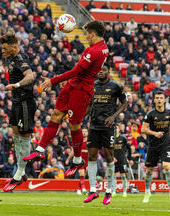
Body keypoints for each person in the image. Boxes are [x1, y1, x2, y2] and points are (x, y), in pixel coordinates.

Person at [24, 21, 109, 179]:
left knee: (74, 125)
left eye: (87, 34)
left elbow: (77, 70)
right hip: (73, 85)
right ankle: (40, 150)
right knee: (56, 114)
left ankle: (77, 160)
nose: (86, 37)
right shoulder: (103, 48)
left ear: (94, 34)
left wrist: (53, 80)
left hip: (82, 91)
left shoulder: (94, 51)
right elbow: (82, 71)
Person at [83, 65, 126, 205]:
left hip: (108, 126)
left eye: (104, 70)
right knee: (92, 157)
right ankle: (93, 190)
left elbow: (124, 104)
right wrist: (84, 114)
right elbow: (90, 104)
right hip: (94, 126)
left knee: (109, 158)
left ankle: (108, 191)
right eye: (99, 70)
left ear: (108, 72)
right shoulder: (92, 85)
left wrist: (114, 116)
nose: (101, 72)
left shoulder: (115, 86)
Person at [2, 32, 36, 192]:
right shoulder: (12, 60)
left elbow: (30, 76)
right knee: (16, 136)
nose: (3, 51)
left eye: (5, 49)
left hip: (25, 102)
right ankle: (20, 170)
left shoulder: (21, 60)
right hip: (16, 102)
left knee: (24, 136)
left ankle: (19, 173)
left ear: (14, 47)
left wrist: (16, 85)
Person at [141, 90, 170, 203]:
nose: (159, 100)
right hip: (152, 146)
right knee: (149, 170)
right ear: (154, 100)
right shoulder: (150, 114)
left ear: (164, 100)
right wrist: (154, 133)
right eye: (157, 98)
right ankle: (147, 192)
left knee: (167, 167)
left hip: (165, 145)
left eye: (161, 98)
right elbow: (143, 129)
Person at [112, 129, 131, 197]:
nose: (115, 129)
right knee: (113, 176)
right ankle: (113, 191)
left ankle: (125, 191)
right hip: (114, 160)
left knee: (123, 176)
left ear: (119, 130)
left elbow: (129, 148)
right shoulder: (111, 138)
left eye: (116, 128)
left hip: (122, 160)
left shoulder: (123, 138)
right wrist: (112, 157)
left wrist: (130, 158)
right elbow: (108, 149)